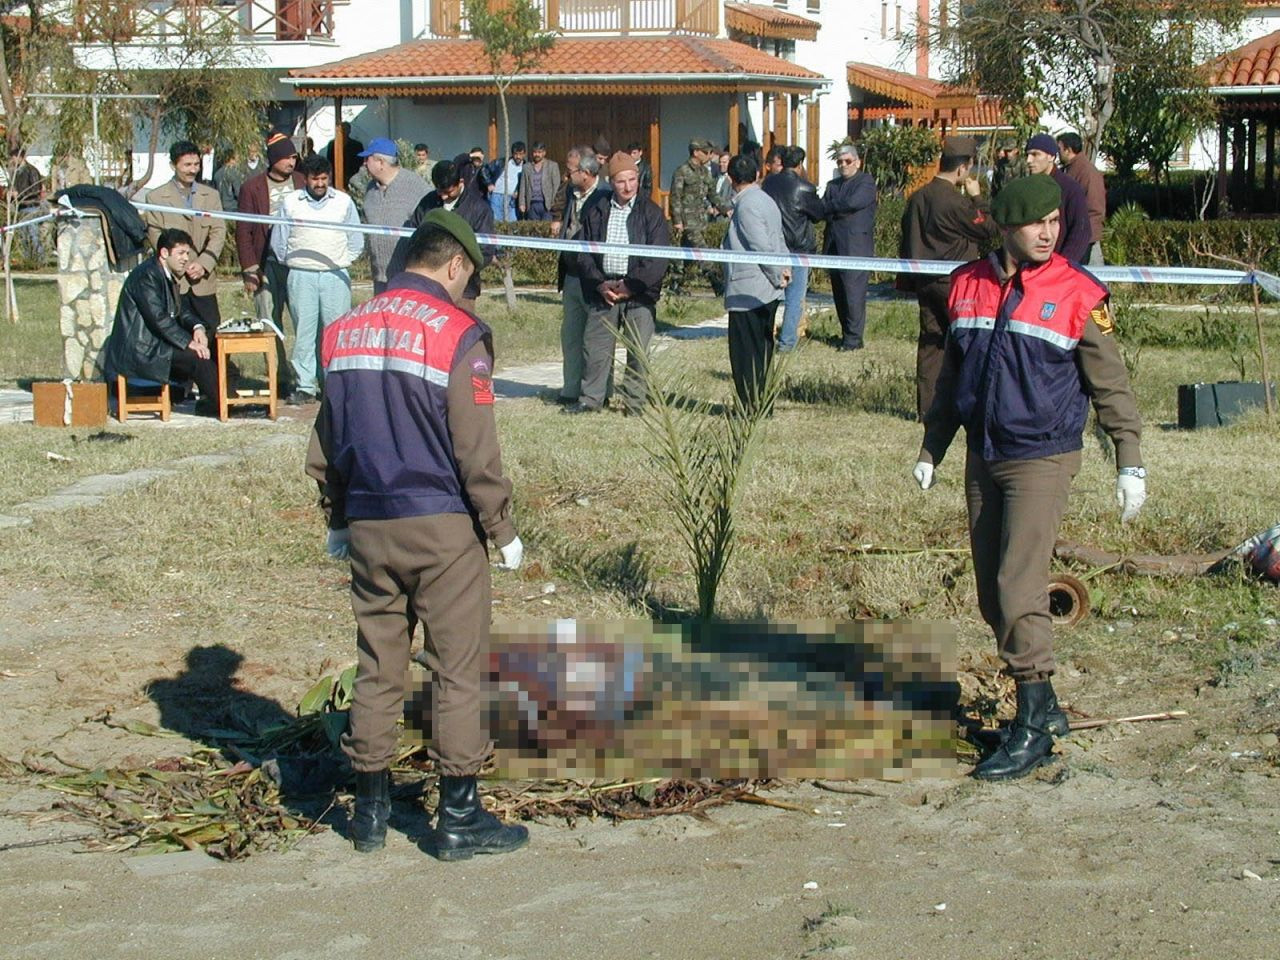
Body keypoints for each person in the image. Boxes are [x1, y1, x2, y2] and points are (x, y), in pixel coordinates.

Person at [305, 209, 528, 860]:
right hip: (442, 527)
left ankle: (369, 816)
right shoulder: (458, 335)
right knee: (457, 671)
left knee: (379, 666)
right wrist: (503, 529)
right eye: (469, 279)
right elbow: (475, 451)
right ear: (455, 264)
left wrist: (339, 518)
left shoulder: (341, 332)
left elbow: (327, 440)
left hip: (371, 524)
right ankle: (459, 819)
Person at [912, 174, 1147, 781]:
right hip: (981, 453)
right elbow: (950, 381)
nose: (1047, 233)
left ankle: (1035, 724)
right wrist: (932, 447)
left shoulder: (1077, 291)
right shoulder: (967, 285)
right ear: (1005, 227)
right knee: (994, 593)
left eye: (1053, 222)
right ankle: (1044, 705)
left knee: (1020, 586)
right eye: (1035, 223)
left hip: (1041, 456)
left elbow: (1110, 383)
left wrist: (1129, 458)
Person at [899, 135, 1000, 420]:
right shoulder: (955, 202)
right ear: (963, 168)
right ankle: (967, 406)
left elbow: (907, 238)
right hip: (956, 284)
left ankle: (927, 409)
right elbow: (988, 229)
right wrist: (978, 196)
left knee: (931, 346)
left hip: (925, 281)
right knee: (968, 344)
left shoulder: (918, 197)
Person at [569, 151, 671, 415]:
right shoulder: (596, 210)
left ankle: (635, 403)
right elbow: (584, 253)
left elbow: (657, 260)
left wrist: (630, 286)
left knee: (638, 352)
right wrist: (600, 284)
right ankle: (591, 399)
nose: (627, 187)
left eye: (632, 180)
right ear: (610, 181)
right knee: (595, 349)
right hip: (604, 290)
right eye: (621, 181)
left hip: (638, 292)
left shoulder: (652, 213)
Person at [101, 228, 228, 415]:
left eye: (187, 253)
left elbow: (180, 310)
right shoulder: (147, 276)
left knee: (208, 344)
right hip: (142, 349)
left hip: (154, 343)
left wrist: (197, 327)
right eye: (181, 253)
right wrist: (189, 343)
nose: (186, 258)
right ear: (164, 253)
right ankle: (226, 405)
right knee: (197, 358)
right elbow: (158, 319)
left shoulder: (164, 273)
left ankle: (220, 399)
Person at [272, 154, 364, 404]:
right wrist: (297, 264)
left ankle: (334, 384)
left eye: (324, 179)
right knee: (304, 332)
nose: (320, 184)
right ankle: (305, 385)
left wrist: (340, 260)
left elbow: (356, 240)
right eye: (315, 179)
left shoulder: (344, 202)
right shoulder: (290, 202)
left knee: (335, 332)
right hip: (301, 275)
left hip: (336, 275)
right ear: (306, 180)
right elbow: (279, 242)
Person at [237, 131, 305, 392]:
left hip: (298, 263)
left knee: (303, 319)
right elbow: (244, 230)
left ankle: (305, 375)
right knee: (269, 320)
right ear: (275, 159)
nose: (292, 162)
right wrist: (249, 269)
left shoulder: (301, 181)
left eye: (294, 157)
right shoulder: (252, 188)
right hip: (267, 264)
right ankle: (280, 376)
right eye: (287, 157)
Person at [723, 154, 789, 411]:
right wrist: (784, 269)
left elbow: (759, 245)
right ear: (758, 175)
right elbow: (779, 239)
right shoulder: (765, 200)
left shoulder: (747, 205)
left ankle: (752, 406)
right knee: (761, 351)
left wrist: (777, 273)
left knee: (746, 354)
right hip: (766, 288)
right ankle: (761, 404)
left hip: (750, 289)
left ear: (730, 179)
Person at [144, 140, 226, 331]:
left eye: (196, 164)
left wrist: (204, 265)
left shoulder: (211, 196)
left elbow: (218, 232)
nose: (192, 170)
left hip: (203, 282)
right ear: (174, 165)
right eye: (187, 165)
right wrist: (182, 265)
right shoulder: (156, 198)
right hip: (174, 281)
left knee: (212, 332)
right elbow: (156, 236)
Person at [396, 159, 497, 315]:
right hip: (427, 286)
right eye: (439, 191)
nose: (443, 196)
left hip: (463, 290)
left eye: (448, 191)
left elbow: (486, 250)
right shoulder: (427, 202)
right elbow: (414, 235)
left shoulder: (479, 209)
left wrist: (460, 273)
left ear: (461, 182)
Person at [556, 150, 611, 405]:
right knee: (571, 335)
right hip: (571, 275)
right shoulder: (571, 192)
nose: (568, 174)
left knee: (596, 341)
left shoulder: (606, 196)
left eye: (573, 171)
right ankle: (570, 388)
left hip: (596, 277)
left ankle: (599, 392)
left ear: (587, 174)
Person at [762, 144, 823, 352]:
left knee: (770, 296)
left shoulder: (768, 184)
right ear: (799, 164)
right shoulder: (805, 188)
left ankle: (765, 338)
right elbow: (818, 214)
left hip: (773, 246)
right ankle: (787, 342)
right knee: (794, 298)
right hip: (798, 248)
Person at [358, 137, 430, 295]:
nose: (364, 163)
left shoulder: (416, 187)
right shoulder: (371, 189)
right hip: (380, 277)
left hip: (409, 280)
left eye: (367, 159)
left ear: (380, 162)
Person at [823, 143, 877, 351]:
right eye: (840, 162)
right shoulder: (832, 185)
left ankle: (854, 339)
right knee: (839, 292)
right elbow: (824, 209)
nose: (843, 165)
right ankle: (846, 333)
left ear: (857, 162)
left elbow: (853, 203)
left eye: (847, 161)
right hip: (834, 245)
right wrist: (833, 206)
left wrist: (833, 206)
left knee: (853, 292)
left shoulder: (866, 182)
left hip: (855, 247)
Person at [670, 138, 727, 293]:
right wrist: (677, 221)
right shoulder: (682, 171)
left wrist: (725, 209)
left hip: (700, 220)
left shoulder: (705, 172)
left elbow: (712, 195)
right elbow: (675, 197)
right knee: (702, 250)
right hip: (687, 221)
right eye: (706, 152)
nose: (709, 155)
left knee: (686, 252)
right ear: (696, 152)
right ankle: (716, 283)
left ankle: (676, 283)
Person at [1024, 134, 1090, 264]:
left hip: (1059, 266)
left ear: (1051, 157)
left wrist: (1063, 264)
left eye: (1035, 154)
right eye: (1027, 155)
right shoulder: (1027, 187)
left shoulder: (1070, 189)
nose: (1029, 160)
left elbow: (1081, 231)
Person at [1056, 132, 1107, 266]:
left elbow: (1095, 209)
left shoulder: (1088, 173)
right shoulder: (1070, 170)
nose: (1057, 154)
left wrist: (1081, 234)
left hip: (1085, 239)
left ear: (1068, 150)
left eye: (1059, 150)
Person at [516, 141, 561, 222]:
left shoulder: (552, 166)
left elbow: (556, 186)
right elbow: (523, 186)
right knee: (533, 230)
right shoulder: (527, 167)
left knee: (547, 230)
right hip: (532, 204)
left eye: (539, 152)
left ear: (544, 153)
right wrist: (522, 203)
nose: (537, 155)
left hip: (547, 204)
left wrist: (554, 204)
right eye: (535, 152)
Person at [487, 141, 524, 223]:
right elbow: (484, 170)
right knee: (496, 222)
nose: (518, 156)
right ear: (512, 153)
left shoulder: (526, 167)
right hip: (497, 196)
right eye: (516, 154)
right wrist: (489, 183)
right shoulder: (502, 162)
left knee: (512, 224)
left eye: (520, 154)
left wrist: (518, 192)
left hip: (512, 199)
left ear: (524, 154)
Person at [325, 121, 364, 189]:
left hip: (352, 177)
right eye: (342, 129)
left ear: (349, 131)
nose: (344, 131)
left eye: (346, 129)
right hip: (336, 178)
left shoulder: (357, 145)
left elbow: (360, 162)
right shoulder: (332, 144)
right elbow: (329, 161)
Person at [213, 147, 246, 214]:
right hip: (233, 208)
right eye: (237, 158)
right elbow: (239, 193)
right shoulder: (234, 173)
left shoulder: (217, 173)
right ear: (231, 159)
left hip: (220, 207)